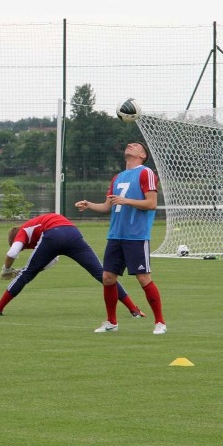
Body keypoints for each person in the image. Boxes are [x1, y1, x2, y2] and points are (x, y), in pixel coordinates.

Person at [75, 141, 167, 334]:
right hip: (115, 235)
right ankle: (111, 322)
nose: (129, 145)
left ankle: (160, 322)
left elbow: (151, 203)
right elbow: (108, 207)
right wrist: (89, 205)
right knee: (108, 278)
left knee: (143, 278)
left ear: (142, 155)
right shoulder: (117, 178)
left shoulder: (146, 173)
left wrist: (126, 201)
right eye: (129, 144)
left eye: (135, 145)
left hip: (136, 236)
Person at [0, 212, 146, 319]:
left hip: (52, 234)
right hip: (72, 233)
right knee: (102, 274)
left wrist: (6, 269)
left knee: (26, 275)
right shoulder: (38, 224)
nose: (27, 248)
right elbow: (53, 260)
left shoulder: (22, 230)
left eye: (25, 247)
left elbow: (12, 253)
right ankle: (134, 309)